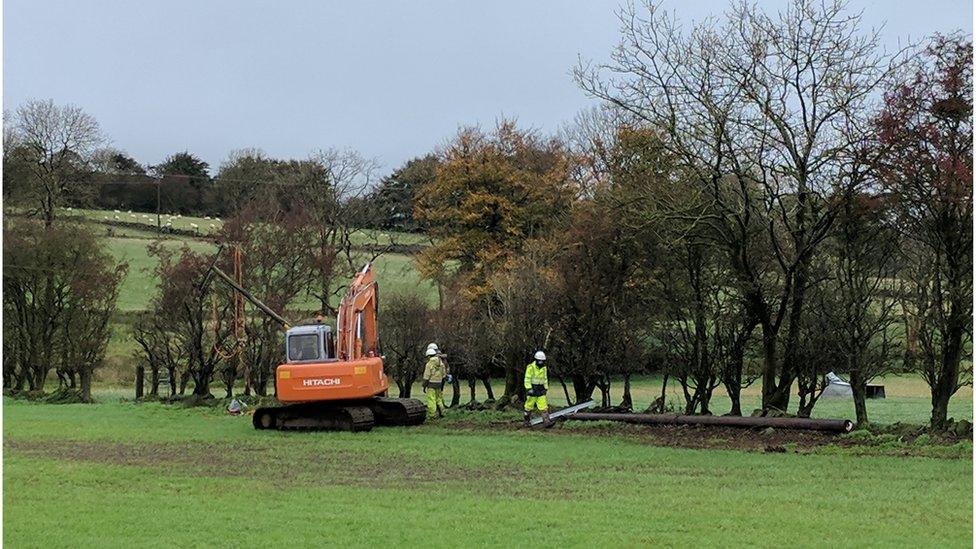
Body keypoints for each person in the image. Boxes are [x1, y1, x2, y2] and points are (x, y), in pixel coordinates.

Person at [523, 351, 550, 426]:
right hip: (532, 389)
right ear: (536, 360)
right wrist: (529, 388)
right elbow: (527, 378)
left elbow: (545, 379)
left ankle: (547, 422)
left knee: (544, 406)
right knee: (528, 406)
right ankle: (526, 421)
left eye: (542, 361)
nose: (541, 362)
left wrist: (546, 388)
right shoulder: (530, 367)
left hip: (541, 389)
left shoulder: (544, 368)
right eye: (540, 361)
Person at [422, 346, 448, 418]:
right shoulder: (441, 363)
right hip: (439, 383)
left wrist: (424, 386)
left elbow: (426, 376)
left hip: (431, 384)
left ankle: (433, 415)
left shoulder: (429, 364)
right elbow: (444, 374)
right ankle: (442, 412)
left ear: (429, 356)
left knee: (431, 399)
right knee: (439, 398)